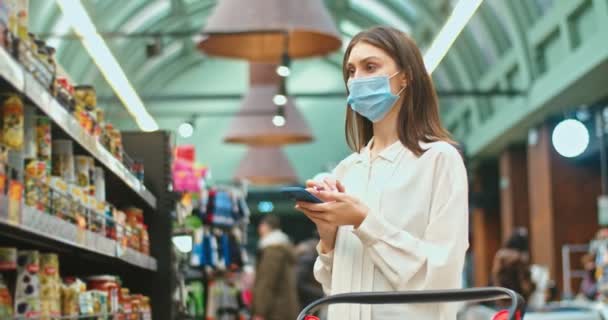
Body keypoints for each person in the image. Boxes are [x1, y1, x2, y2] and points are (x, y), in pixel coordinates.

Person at [295, 26, 469, 320]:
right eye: (351, 71)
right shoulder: (347, 170)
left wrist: (364, 221)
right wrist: (328, 236)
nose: (356, 80)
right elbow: (330, 288)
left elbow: (442, 276)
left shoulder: (439, 160)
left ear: (406, 76)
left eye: (370, 67)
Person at [251, 215, 299, 320]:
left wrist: (260, 312)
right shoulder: (283, 246)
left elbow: (267, 282)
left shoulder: (273, 250)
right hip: (284, 307)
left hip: (275, 311)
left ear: (265, 227)